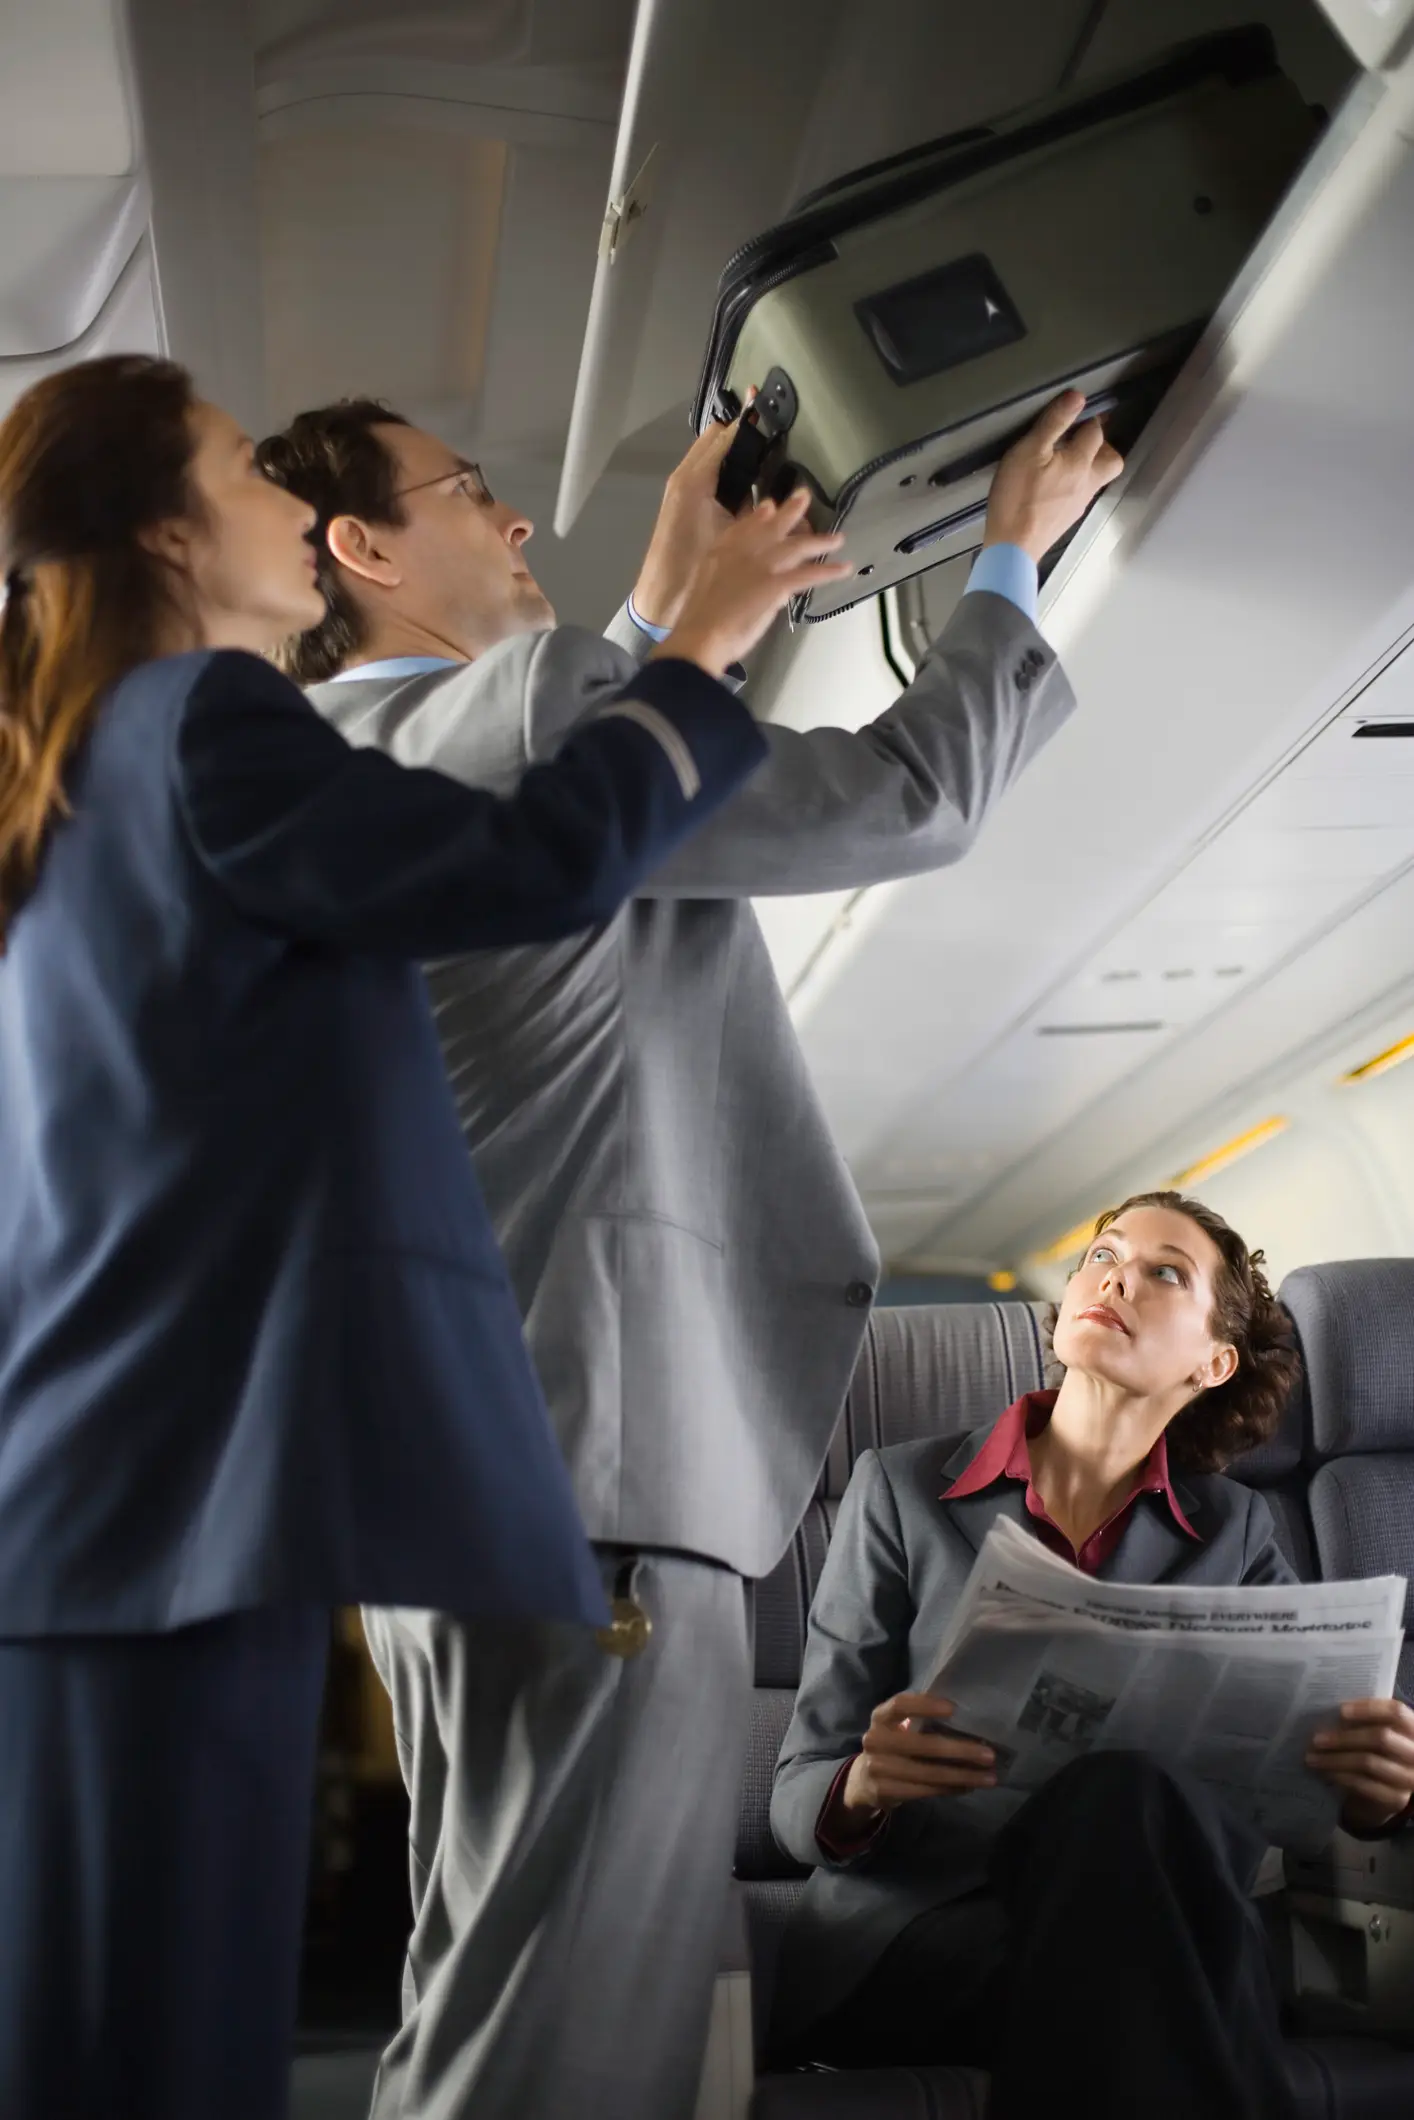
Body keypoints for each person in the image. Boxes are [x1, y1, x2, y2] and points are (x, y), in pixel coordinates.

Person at [255, 385, 1122, 2120]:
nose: (515, 528)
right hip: (603, 1485)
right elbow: (904, 793)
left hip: (468, 1492)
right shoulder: (512, 718)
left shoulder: (339, 784)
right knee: (578, 2034)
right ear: (361, 550)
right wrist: (1015, 550)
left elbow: (569, 746)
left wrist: (672, 622)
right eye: (474, 492)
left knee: (492, 1980)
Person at [0, 352, 819, 2120]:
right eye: (245, 470)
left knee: (111, 2039)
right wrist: (688, 649)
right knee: (156, 2046)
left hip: (126, 1501)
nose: (294, 507)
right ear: (162, 525)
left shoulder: (64, 792)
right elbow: (515, 865)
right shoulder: (197, 723)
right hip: (173, 1504)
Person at [769, 1191, 1414, 2119]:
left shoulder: (1234, 1528)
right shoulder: (901, 1492)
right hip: (930, 1931)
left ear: (1213, 1361)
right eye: (1103, 1254)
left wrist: (1379, 1796)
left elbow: (1301, 1807)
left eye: (1165, 1272)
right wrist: (865, 1782)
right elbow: (795, 1792)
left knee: (1133, 1827)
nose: (1116, 1275)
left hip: (1154, 1923)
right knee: (1145, 1889)